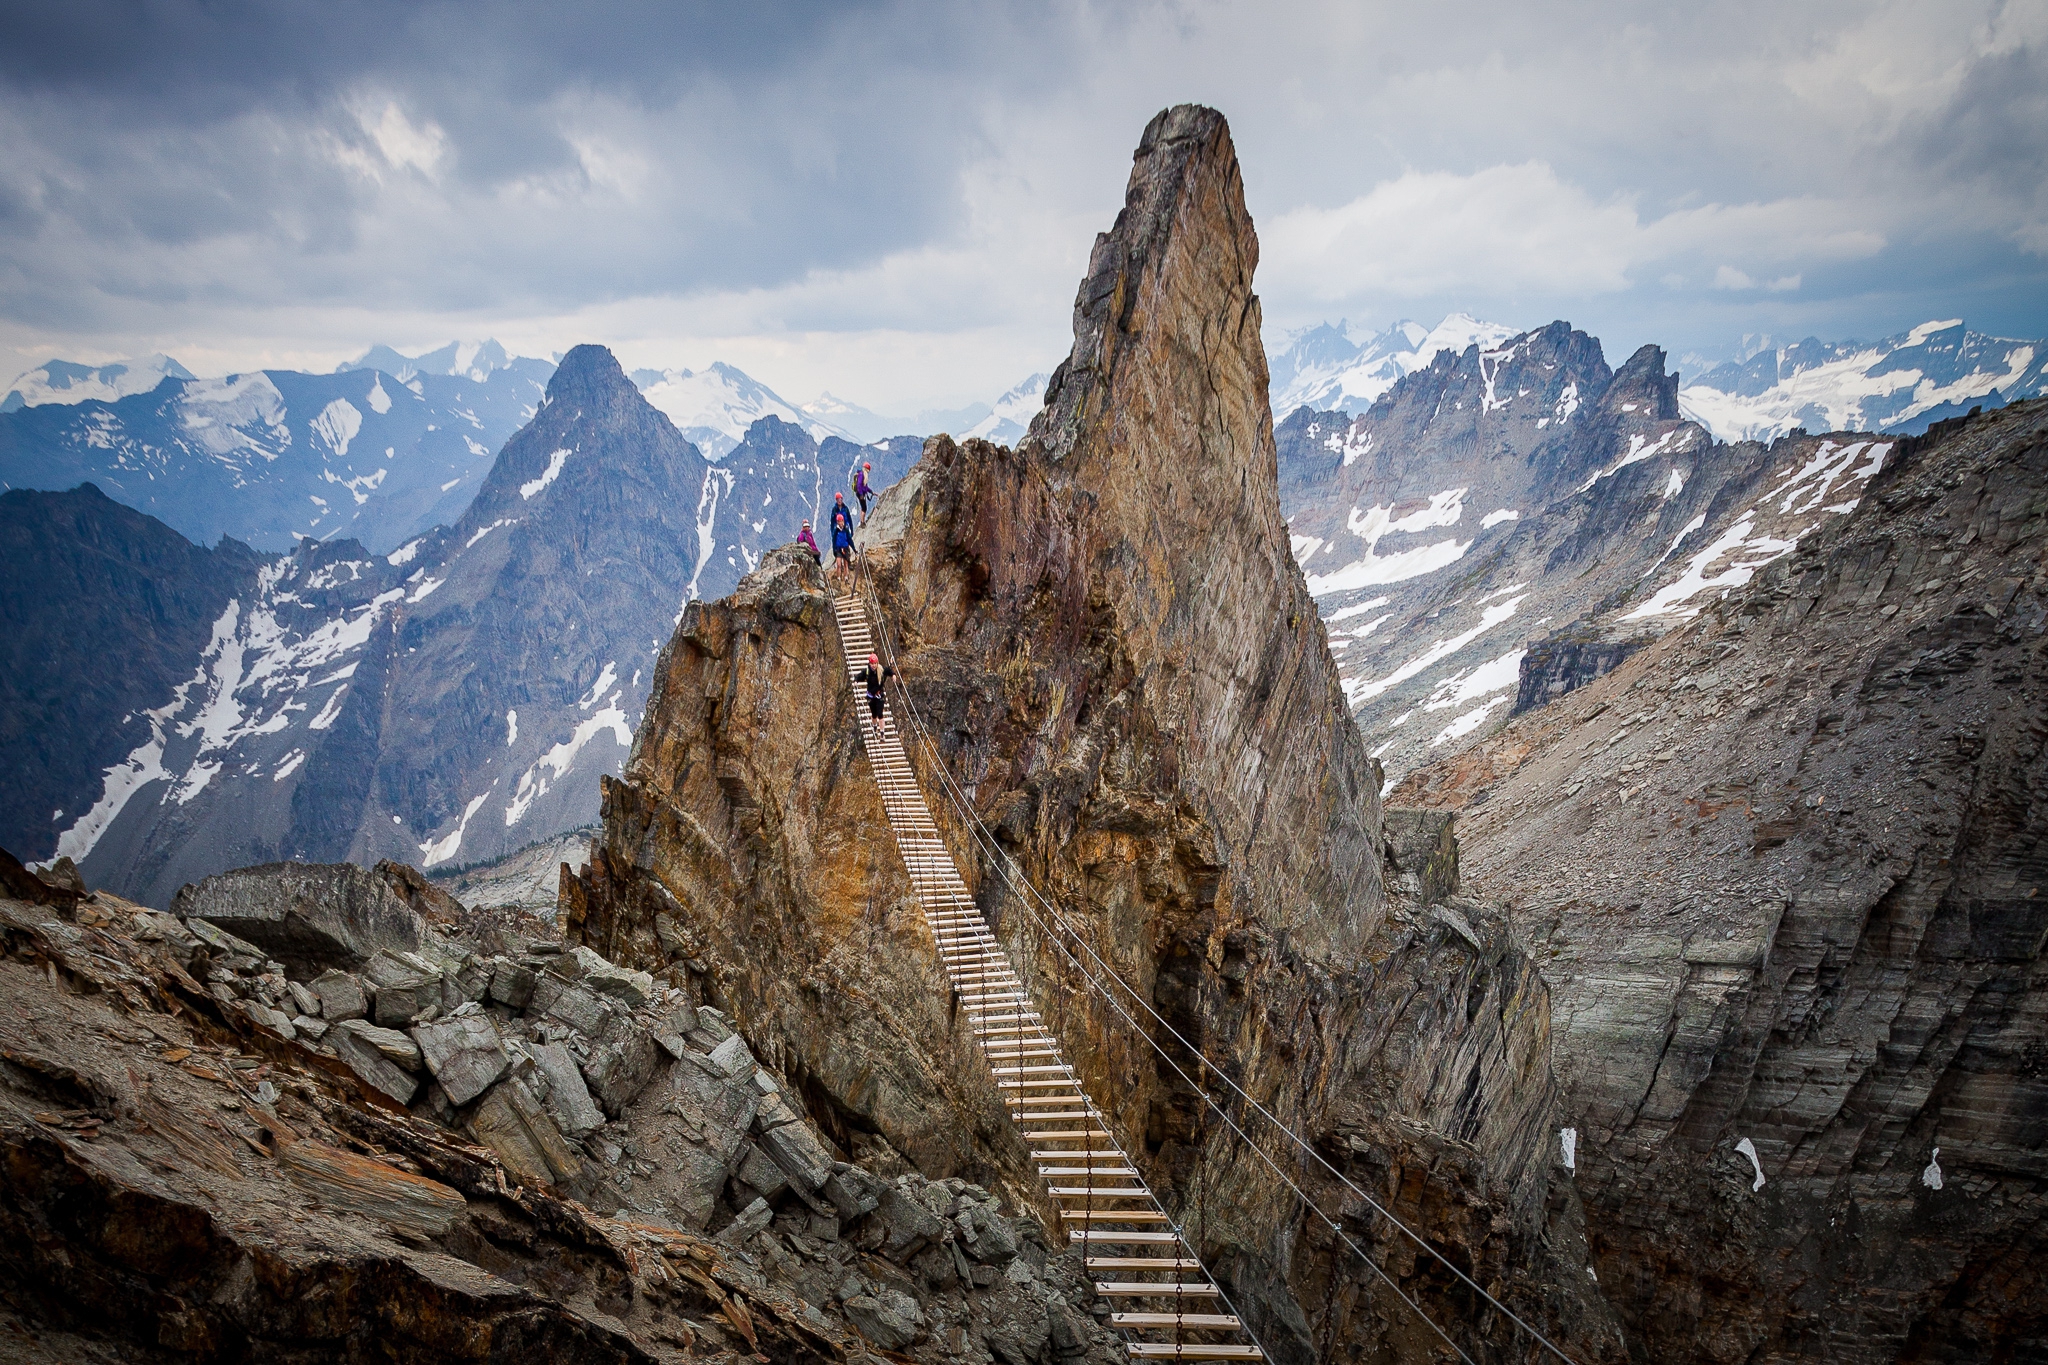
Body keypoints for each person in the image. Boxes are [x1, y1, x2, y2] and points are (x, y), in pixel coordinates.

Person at [860, 652, 895, 740]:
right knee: (874, 714)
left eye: (875, 663)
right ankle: (875, 727)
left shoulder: (881, 669)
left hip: (879, 696)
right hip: (871, 696)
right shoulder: (867, 671)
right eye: (872, 664)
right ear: (870, 663)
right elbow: (860, 675)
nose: (874, 665)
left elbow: (889, 671)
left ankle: (882, 734)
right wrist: (856, 680)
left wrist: (893, 675)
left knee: (880, 714)